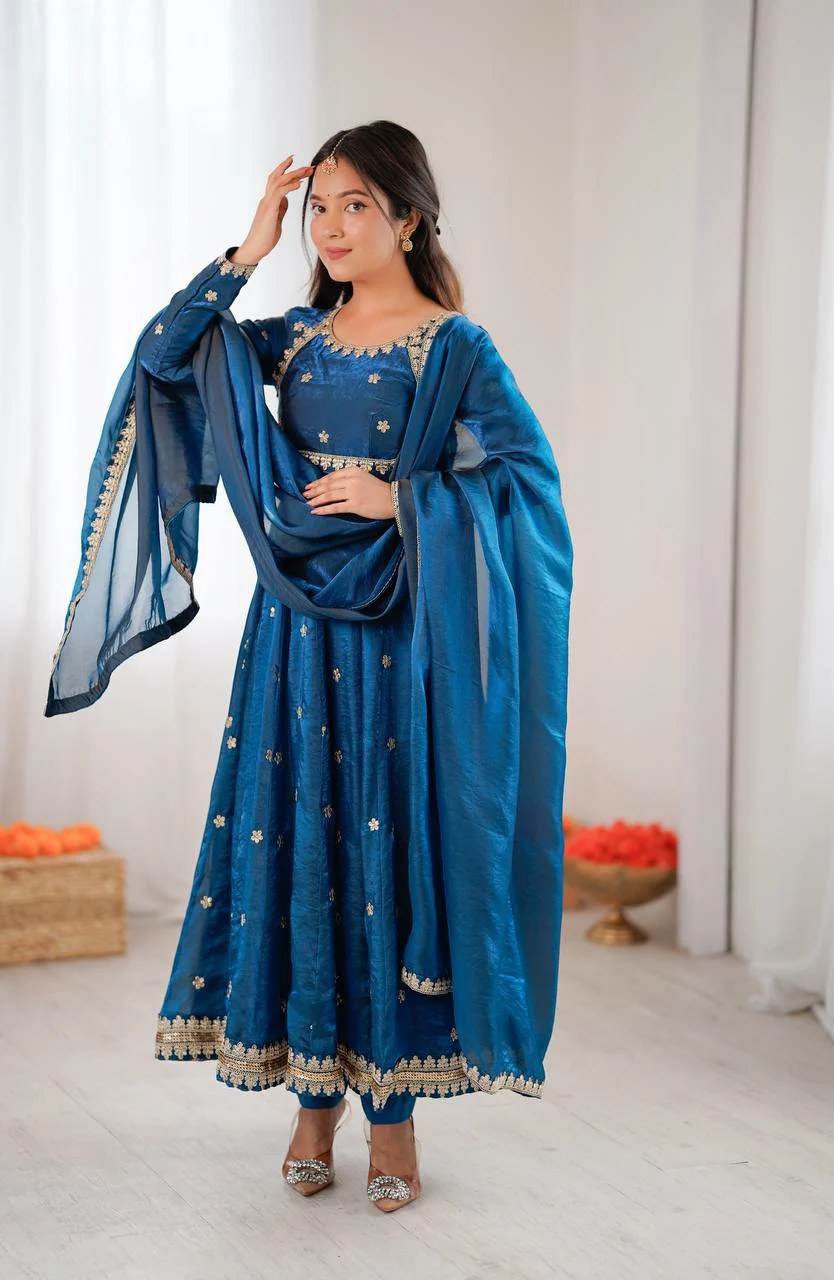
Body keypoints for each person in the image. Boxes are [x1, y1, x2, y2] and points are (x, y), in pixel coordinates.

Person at [45, 120, 574, 1213]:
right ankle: (312, 1103)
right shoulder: (291, 340)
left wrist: (404, 499)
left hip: (400, 642)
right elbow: (163, 359)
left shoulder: (455, 349)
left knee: (388, 855)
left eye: (354, 205)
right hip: (293, 636)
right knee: (300, 844)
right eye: (317, 207)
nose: (329, 227)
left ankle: (393, 1116)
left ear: (409, 218)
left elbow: (530, 493)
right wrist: (245, 251)